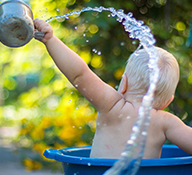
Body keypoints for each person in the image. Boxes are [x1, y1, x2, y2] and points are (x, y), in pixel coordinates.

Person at [34, 19, 192, 159]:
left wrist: (50, 40)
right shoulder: (167, 122)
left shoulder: (112, 106)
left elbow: (79, 75)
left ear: (123, 84)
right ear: (168, 101)